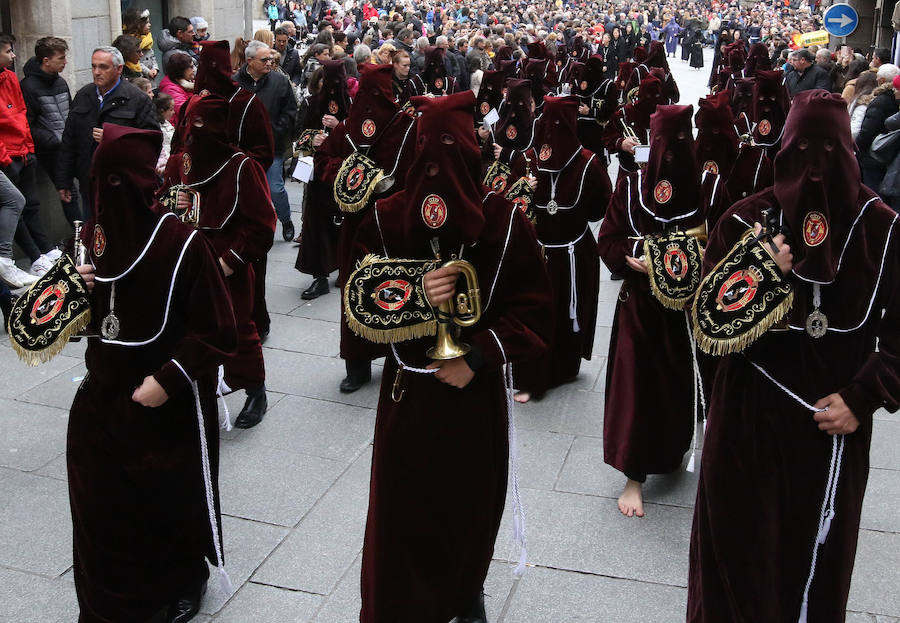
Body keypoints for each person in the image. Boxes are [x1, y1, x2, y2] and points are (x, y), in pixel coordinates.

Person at [687, 89, 900, 623]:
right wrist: (758, 274)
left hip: (832, 434)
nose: (814, 169)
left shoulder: (884, 230)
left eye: (828, 150)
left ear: (850, 153)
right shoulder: (743, 221)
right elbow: (702, 322)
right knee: (735, 563)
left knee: (815, 569)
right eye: (802, 147)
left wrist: (864, 396)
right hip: (745, 423)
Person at [351, 90, 552, 623]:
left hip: (473, 395)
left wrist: (479, 356)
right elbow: (360, 296)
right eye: (428, 151)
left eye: (452, 149)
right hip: (407, 390)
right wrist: (419, 293)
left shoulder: (505, 221)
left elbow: (535, 315)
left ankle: (465, 593)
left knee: (467, 511)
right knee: (400, 513)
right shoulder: (385, 216)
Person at [69, 124, 237, 623]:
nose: (104, 196)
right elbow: (96, 317)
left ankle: (187, 578)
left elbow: (217, 330)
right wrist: (78, 290)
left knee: (167, 502)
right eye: (98, 182)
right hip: (103, 392)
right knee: (101, 503)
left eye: (114, 183)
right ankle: (108, 597)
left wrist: (167, 380)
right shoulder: (92, 237)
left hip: (166, 399)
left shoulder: (182, 242)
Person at [598, 104, 708, 518]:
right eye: (662, 142)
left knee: (676, 384)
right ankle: (633, 475)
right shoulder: (629, 188)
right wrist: (630, 256)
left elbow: (722, 246)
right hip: (639, 308)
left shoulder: (706, 190)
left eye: (680, 142)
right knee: (637, 388)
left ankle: (673, 449)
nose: (670, 152)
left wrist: (687, 258)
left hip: (687, 309)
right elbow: (607, 239)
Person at [162, 93, 276, 430]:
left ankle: (256, 390)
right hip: (187, 264)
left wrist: (229, 263)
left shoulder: (242, 167)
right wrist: (175, 199)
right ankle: (195, 391)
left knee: (239, 331)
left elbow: (261, 226)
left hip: (228, 267)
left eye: (200, 124)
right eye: (191, 124)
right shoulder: (182, 162)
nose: (194, 133)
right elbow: (162, 207)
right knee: (189, 332)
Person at [513, 95, 611, 403]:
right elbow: (599, 209)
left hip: (570, 251)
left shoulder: (576, 162)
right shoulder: (589, 162)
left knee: (564, 311)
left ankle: (561, 368)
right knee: (552, 313)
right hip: (560, 250)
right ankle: (547, 370)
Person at [55, 46, 159, 213]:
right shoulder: (83, 95)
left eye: (103, 67)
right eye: (94, 66)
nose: (97, 72)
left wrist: (114, 138)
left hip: (124, 184)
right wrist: (64, 181)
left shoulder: (137, 99)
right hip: (89, 181)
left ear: (119, 69)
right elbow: (69, 141)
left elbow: (151, 143)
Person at [0, 33, 57, 279]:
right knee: (16, 203)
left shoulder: (10, 77)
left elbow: (22, 114)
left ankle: (41, 253)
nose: (13, 55)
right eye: (8, 50)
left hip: (23, 152)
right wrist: (4, 158)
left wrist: (29, 148)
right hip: (6, 157)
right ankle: (30, 257)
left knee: (30, 203)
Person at [294, 58, 350, 299]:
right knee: (316, 225)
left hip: (345, 174)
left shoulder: (353, 106)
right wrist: (312, 139)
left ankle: (344, 267)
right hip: (317, 173)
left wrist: (340, 127)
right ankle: (319, 276)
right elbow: (298, 137)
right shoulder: (311, 104)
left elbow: (362, 141)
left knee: (345, 223)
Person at [234, 40, 297, 242]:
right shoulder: (235, 82)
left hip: (271, 146)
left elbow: (290, 111)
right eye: (265, 59)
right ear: (249, 61)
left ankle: (286, 220)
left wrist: (277, 130)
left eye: (271, 58)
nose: (270, 62)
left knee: (275, 187)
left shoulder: (279, 81)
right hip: (242, 147)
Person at [20, 36, 82, 225]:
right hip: (51, 152)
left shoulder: (60, 82)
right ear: (46, 60)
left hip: (71, 146)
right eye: (61, 58)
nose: (65, 62)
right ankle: (82, 240)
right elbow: (27, 124)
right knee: (68, 191)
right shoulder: (27, 87)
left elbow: (70, 113)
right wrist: (53, 140)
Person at [159, 52, 195, 126]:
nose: (193, 70)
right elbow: (186, 111)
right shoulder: (170, 89)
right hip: (180, 126)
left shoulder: (185, 80)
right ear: (181, 70)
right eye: (191, 67)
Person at [122, 7, 159, 80]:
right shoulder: (128, 43)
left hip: (150, 80)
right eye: (146, 23)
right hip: (139, 79)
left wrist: (155, 68)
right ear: (138, 25)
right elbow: (135, 62)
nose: (150, 25)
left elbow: (152, 57)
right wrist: (148, 71)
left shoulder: (147, 39)